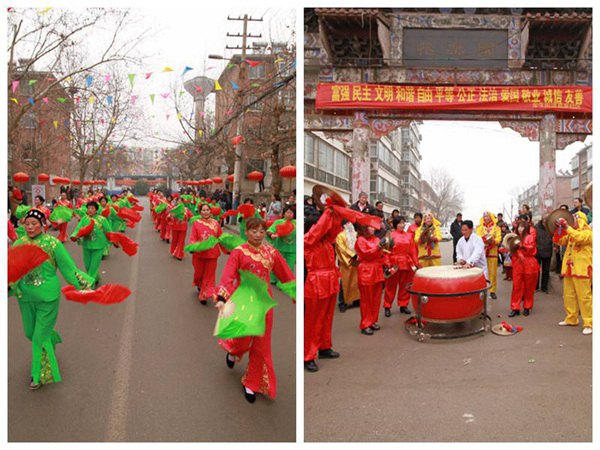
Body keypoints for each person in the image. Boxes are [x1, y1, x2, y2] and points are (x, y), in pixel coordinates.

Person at [10, 209, 94, 390]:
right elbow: (11, 269)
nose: (30, 227)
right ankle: (50, 340)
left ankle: (39, 375)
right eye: (27, 223)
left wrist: (83, 285)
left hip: (48, 297)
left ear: (42, 225)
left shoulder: (53, 244)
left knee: (38, 338)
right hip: (25, 297)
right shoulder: (18, 244)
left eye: (34, 223)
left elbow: (68, 267)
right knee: (30, 333)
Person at [215, 217, 294, 402]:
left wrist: (295, 292)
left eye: (261, 231)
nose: (258, 235)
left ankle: (251, 383)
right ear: (246, 231)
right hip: (243, 301)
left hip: (264, 304)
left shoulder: (271, 252)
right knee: (242, 340)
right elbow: (228, 276)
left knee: (261, 346)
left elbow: (285, 275)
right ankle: (233, 351)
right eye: (254, 231)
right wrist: (221, 298)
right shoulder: (239, 252)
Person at [304, 208, 342, 372]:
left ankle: (324, 347)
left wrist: (335, 213)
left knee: (327, 317)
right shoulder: (307, 241)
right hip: (317, 282)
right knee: (313, 321)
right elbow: (317, 232)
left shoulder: (326, 241)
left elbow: (335, 228)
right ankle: (308, 355)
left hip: (330, 280)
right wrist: (326, 214)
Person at [554, 212, 592, 335]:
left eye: (575, 218)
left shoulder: (588, 232)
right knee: (568, 296)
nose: (572, 219)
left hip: (582, 270)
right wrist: (559, 229)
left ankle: (589, 323)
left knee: (584, 298)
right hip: (569, 269)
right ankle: (571, 318)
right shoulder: (570, 232)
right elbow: (559, 241)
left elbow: (579, 238)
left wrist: (567, 227)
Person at [70, 201, 114, 286]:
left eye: (92, 208)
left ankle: (89, 285)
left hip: (98, 246)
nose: (90, 210)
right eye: (88, 208)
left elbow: (108, 231)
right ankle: (95, 278)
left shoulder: (102, 219)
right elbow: (78, 228)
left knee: (93, 267)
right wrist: (74, 235)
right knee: (88, 265)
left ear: (96, 210)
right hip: (86, 245)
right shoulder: (84, 219)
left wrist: (114, 240)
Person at [383, 216, 419, 317]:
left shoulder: (409, 236)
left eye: (403, 223)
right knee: (391, 286)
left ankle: (403, 305)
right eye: (399, 223)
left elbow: (413, 251)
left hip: (407, 262)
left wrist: (416, 263)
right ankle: (387, 306)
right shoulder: (391, 235)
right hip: (394, 263)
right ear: (395, 224)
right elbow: (386, 251)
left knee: (405, 285)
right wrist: (387, 263)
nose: (402, 225)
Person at [188, 203, 223, 304]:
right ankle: (199, 284)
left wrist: (228, 248)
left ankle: (204, 295)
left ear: (210, 211)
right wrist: (192, 247)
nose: (206, 212)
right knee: (199, 274)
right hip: (199, 253)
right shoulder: (196, 223)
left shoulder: (216, 223)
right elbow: (193, 237)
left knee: (209, 275)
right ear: (200, 212)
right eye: (203, 210)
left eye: (207, 210)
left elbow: (221, 237)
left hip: (212, 254)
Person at [355, 224, 385, 335]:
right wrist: (378, 247)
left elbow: (381, 253)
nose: (373, 228)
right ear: (364, 228)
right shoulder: (360, 240)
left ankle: (372, 321)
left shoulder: (376, 239)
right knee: (366, 300)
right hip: (366, 270)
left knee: (376, 298)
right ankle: (365, 324)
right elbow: (365, 254)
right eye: (370, 227)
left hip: (377, 269)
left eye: (373, 227)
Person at [508, 220, 539, 317]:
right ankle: (515, 308)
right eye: (519, 227)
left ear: (526, 228)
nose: (520, 229)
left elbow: (531, 247)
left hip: (529, 263)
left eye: (522, 227)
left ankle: (527, 307)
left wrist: (522, 246)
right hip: (518, 263)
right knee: (516, 286)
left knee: (529, 287)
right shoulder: (514, 237)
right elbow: (510, 248)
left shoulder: (530, 237)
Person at [334, 221, 360, 313]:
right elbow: (341, 249)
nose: (350, 226)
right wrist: (352, 255)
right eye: (348, 224)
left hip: (356, 261)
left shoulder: (356, 234)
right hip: (347, 262)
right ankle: (342, 302)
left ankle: (356, 299)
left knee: (356, 281)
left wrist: (358, 255)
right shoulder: (340, 236)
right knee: (345, 282)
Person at [475, 211, 501, 299]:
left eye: (488, 216)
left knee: (492, 273)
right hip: (482, 253)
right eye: (485, 216)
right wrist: (484, 240)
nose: (486, 218)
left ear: (491, 217)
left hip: (492, 253)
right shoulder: (479, 227)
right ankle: (481, 289)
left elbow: (498, 238)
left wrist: (493, 241)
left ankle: (492, 291)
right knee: (481, 272)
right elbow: (478, 237)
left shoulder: (496, 228)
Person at [267, 204, 296, 279]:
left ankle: (286, 281)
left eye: (291, 212)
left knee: (289, 267)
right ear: (284, 213)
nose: (289, 214)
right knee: (277, 265)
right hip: (280, 248)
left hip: (292, 249)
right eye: (287, 212)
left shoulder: (296, 223)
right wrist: (272, 235)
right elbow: (270, 230)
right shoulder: (278, 222)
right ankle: (274, 279)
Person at [535, 219, 552, 294]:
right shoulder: (536, 227)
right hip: (537, 251)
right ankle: (536, 286)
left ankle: (544, 287)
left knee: (546, 270)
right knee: (537, 270)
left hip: (548, 250)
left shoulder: (551, 227)